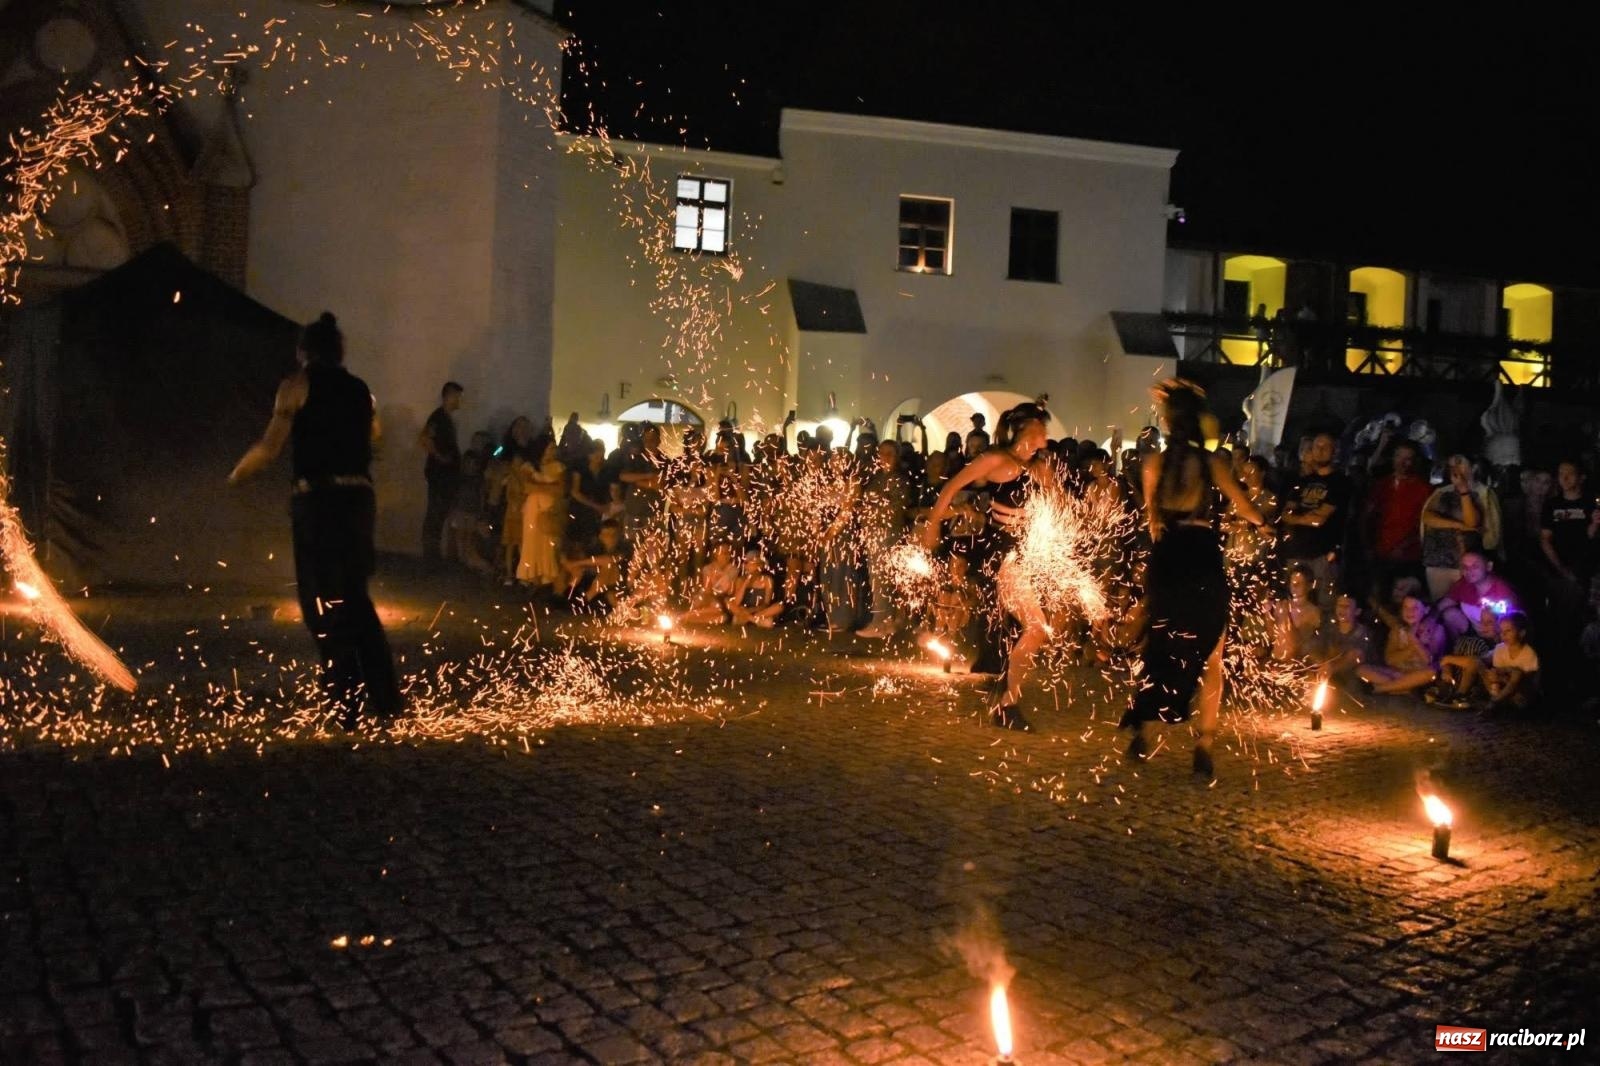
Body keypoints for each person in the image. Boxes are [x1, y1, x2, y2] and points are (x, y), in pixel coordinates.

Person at [228, 312, 402, 726]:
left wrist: (236, 474)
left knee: (322, 601)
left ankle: (346, 703)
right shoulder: (361, 391)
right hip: (359, 499)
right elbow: (374, 439)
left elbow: (269, 448)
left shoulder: (296, 385)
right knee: (355, 597)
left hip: (319, 501)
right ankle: (385, 698)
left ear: (304, 352)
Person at [1119, 380, 1268, 776]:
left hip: (1168, 559)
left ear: (1169, 423)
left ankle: (1145, 732)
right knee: (1211, 653)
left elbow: (1152, 518)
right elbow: (1245, 507)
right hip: (1201, 557)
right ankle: (1204, 742)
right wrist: (1263, 524)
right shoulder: (1212, 463)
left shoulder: (1154, 464)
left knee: (1161, 646)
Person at [923, 402, 1058, 729]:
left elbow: (1054, 504)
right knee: (1036, 628)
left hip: (1025, 557)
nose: (1046, 435)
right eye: (1042, 428)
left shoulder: (1035, 465)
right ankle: (1007, 702)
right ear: (1027, 429)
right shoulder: (998, 460)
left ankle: (1004, 694)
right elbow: (952, 486)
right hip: (1005, 559)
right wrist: (933, 524)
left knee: (1023, 630)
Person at [1279, 431, 1351, 608]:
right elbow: (1286, 514)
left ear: (1334, 451)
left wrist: (1298, 518)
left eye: (1325, 447)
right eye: (1317, 446)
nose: (1320, 450)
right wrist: (1305, 518)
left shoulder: (1340, 482)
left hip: (1322, 553)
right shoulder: (1302, 481)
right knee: (1294, 603)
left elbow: (1320, 519)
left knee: (1324, 604)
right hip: (1296, 550)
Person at [419, 381, 464, 568]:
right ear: (449, 396)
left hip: (445, 474)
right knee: (435, 515)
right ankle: (430, 558)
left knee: (438, 514)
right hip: (440, 475)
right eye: (458, 396)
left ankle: (432, 556)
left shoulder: (444, 418)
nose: (460, 401)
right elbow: (425, 438)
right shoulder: (438, 418)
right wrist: (440, 457)